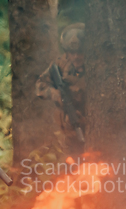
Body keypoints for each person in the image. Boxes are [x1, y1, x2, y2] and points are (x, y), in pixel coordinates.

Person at [36, 22, 86, 156]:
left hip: (89, 125)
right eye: (72, 53)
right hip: (65, 129)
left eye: (80, 52)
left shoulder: (95, 66)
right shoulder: (59, 64)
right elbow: (40, 85)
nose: (76, 57)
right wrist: (55, 94)